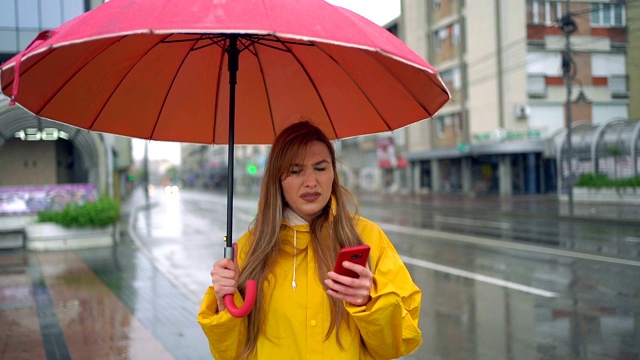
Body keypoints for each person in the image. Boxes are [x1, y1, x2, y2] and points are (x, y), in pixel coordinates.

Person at [197, 121, 422, 359]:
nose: (311, 182)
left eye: (320, 168)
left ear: (333, 174)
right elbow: (231, 353)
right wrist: (225, 303)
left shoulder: (367, 238)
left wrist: (370, 301)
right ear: (278, 179)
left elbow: (395, 346)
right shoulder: (249, 249)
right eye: (296, 171)